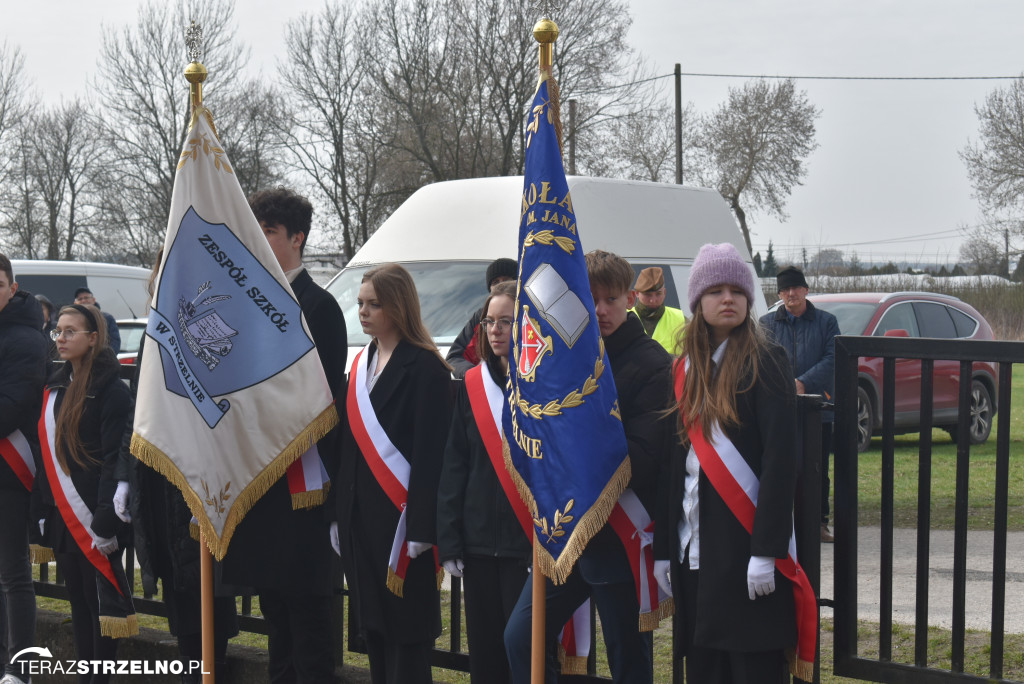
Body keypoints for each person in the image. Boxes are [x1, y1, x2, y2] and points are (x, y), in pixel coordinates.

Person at [504, 250, 673, 684]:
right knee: (521, 636)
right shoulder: (564, 359)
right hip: (565, 533)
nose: (600, 309)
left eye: (611, 299)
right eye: (590, 298)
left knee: (627, 660)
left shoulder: (652, 363)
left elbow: (644, 457)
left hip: (618, 533)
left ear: (631, 298)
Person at [654, 243, 809, 683]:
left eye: (737, 290)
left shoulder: (767, 361)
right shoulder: (684, 369)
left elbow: (781, 463)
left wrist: (765, 551)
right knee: (705, 669)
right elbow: (674, 468)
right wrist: (666, 550)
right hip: (695, 553)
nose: (728, 299)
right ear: (698, 303)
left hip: (743, 551)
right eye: (716, 290)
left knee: (750, 668)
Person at [221, 187, 348, 683]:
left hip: (303, 486)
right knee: (277, 630)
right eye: (256, 230)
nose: (260, 239)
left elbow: (321, 396)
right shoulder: (247, 299)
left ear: (297, 238)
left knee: (310, 633)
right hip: (261, 483)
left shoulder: (320, 307)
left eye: (269, 231)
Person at [125, 247, 239, 683]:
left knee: (207, 591)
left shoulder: (200, 330)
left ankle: (213, 669)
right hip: (159, 474)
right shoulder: (151, 334)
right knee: (178, 584)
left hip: (198, 476)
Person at [334, 263, 452, 684]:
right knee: (375, 633)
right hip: (360, 522)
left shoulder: (426, 370)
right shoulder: (362, 363)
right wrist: (338, 513)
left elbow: (431, 456)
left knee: (407, 638)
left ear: (398, 307)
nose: (363, 312)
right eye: (361, 303)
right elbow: (350, 445)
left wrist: (423, 526)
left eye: (374, 304)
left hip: (402, 528)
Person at [35, 304, 136, 684]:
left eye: (70, 332)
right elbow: (45, 449)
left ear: (93, 339)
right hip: (64, 510)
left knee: (101, 604)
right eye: (57, 331)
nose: (60, 338)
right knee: (77, 598)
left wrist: (105, 519)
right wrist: (43, 508)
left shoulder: (112, 390)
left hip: (97, 512)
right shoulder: (56, 384)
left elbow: (114, 459)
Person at [437, 281, 529, 684]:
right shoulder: (472, 385)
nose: (494, 330)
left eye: (505, 322)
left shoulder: (544, 388)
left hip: (523, 544)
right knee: (486, 654)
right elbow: (455, 465)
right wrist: (451, 540)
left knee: (524, 649)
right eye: (489, 321)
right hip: (476, 544)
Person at [758, 265, 840, 542]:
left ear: (806, 290)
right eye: (785, 290)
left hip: (818, 408)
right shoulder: (767, 324)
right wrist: (783, 386)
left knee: (817, 468)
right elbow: (761, 360)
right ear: (780, 294)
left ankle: (818, 523)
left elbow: (832, 358)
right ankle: (784, 524)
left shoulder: (826, 322)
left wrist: (803, 382)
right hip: (780, 409)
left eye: (795, 288)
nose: (791, 294)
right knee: (782, 466)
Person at [0, 254, 48, 684]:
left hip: (9, 471)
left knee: (14, 574)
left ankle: (21, 668)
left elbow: (12, 407)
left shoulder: (26, 339)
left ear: (12, 288)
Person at [446, 257, 517, 379]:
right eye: (495, 282)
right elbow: (455, 358)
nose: (495, 330)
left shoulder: (531, 315)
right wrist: (478, 378)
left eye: (505, 321)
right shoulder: (480, 318)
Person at [631, 266, 686, 355]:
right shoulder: (623, 318)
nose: (653, 300)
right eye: (647, 295)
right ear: (637, 293)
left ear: (664, 292)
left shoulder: (681, 319)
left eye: (658, 294)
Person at [73, 288, 121, 354]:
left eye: (86, 298)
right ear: (75, 303)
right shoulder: (72, 320)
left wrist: (107, 357)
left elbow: (115, 342)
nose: (83, 301)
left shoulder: (107, 318)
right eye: (80, 299)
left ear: (93, 300)